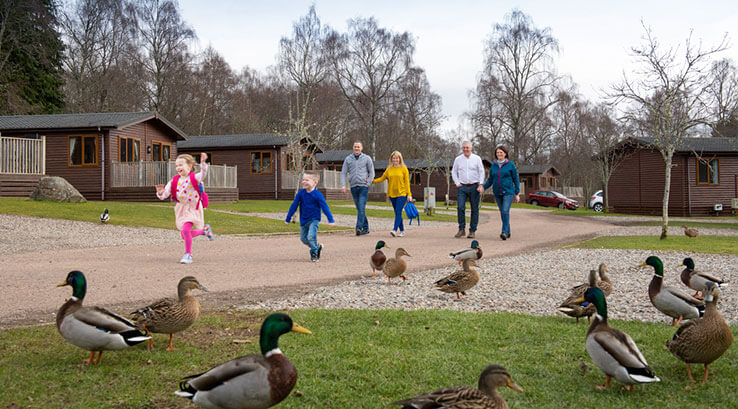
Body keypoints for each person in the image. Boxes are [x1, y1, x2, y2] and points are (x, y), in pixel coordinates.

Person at [156, 152, 214, 264]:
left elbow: (203, 174)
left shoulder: (195, 178)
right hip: (181, 209)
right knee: (184, 235)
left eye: (181, 165)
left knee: (186, 230)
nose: (178, 167)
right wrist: (160, 193)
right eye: (177, 165)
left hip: (193, 208)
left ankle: (188, 254)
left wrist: (203, 163)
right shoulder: (173, 181)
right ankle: (204, 231)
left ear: (190, 166)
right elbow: (164, 196)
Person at [285, 172, 335, 262]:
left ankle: (314, 253)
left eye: (306, 180)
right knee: (304, 239)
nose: (303, 182)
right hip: (303, 220)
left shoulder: (318, 195)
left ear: (315, 182)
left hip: (314, 219)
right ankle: (317, 247)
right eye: (303, 179)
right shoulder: (300, 194)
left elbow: (325, 207)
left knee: (311, 237)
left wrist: (330, 219)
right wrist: (288, 218)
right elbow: (294, 206)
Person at [483, 145, 520, 240]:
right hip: (497, 192)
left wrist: (517, 193)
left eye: (501, 152)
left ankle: (504, 232)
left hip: (508, 192)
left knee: (505, 210)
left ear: (505, 154)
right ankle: (508, 231)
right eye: (497, 153)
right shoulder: (494, 165)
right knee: (503, 212)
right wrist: (483, 187)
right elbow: (490, 179)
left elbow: (516, 179)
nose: (499, 154)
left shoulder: (511, 165)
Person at [372, 151, 412, 237]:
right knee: (397, 212)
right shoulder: (389, 169)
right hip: (392, 194)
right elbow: (382, 178)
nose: (395, 159)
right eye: (394, 158)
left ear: (400, 159)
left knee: (398, 211)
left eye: (397, 158)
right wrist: (372, 181)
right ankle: (402, 231)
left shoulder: (404, 169)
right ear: (391, 159)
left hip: (402, 193)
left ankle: (394, 230)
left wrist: (409, 194)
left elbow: (407, 183)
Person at [451, 141, 486, 239]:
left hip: (474, 186)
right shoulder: (458, 159)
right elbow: (454, 172)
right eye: (464, 147)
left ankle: (472, 231)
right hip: (462, 187)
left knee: (474, 209)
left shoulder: (477, 158)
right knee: (460, 207)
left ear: (471, 148)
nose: (465, 149)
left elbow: (481, 172)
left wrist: (481, 184)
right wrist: (457, 183)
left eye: (467, 147)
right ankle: (461, 229)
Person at [340, 141, 375, 235]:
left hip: (363, 186)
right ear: (353, 148)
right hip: (353, 187)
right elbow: (343, 173)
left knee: (361, 206)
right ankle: (366, 228)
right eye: (355, 146)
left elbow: (372, 172)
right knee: (360, 208)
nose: (356, 148)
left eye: (358, 147)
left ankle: (358, 227)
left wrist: (368, 183)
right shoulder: (348, 159)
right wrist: (342, 185)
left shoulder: (367, 158)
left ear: (361, 148)